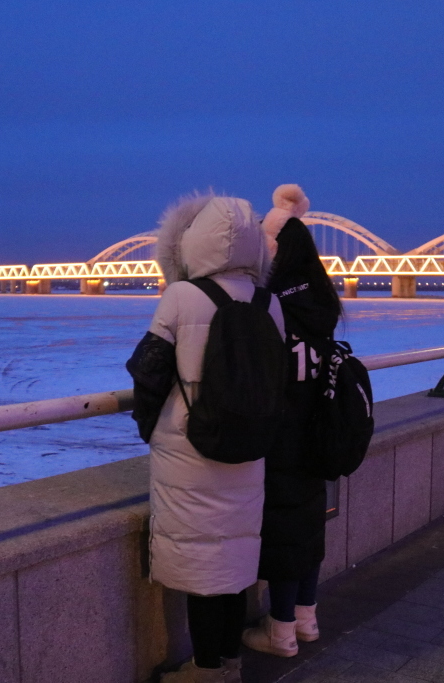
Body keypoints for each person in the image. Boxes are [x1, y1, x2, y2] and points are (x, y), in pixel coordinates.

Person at [126, 192, 284, 683]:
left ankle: (205, 670)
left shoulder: (179, 297)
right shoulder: (269, 303)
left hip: (189, 452)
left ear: (192, 244)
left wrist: (153, 429)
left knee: (200, 568)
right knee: (234, 561)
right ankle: (231, 663)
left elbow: (148, 371)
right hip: (249, 449)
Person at [242, 184, 341, 658]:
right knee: (309, 525)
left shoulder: (270, 303)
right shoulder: (322, 301)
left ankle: (280, 631)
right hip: (319, 431)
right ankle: (307, 617)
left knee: (281, 532)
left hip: (279, 435)